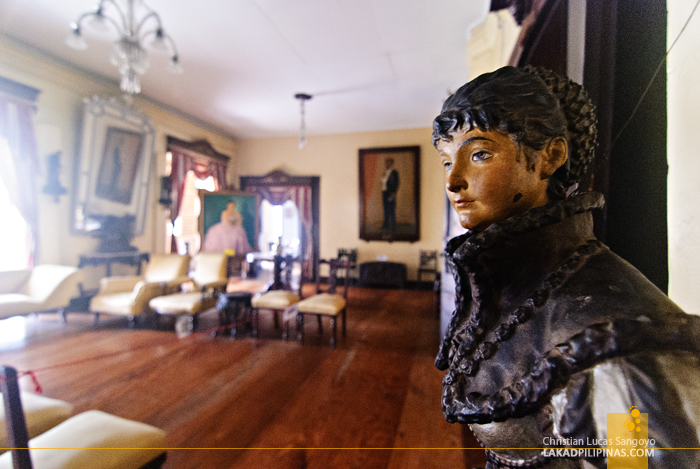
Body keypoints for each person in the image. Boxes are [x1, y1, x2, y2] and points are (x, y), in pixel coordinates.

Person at [432, 65, 700, 469]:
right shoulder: (513, 284)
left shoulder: (611, 339)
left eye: (479, 154)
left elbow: (634, 460)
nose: (453, 181)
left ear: (551, 156)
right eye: (446, 160)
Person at [381, 157, 399, 232]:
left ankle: (393, 226)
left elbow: (397, 184)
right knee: (385, 209)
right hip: (384, 192)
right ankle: (386, 225)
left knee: (391, 209)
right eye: (386, 163)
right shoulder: (385, 172)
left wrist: (393, 193)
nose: (387, 164)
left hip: (391, 193)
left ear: (392, 164)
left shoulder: (395, 172)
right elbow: (383, 182)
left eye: (389, 163)